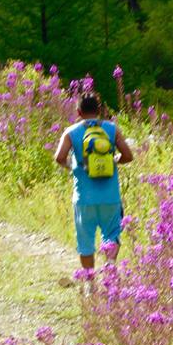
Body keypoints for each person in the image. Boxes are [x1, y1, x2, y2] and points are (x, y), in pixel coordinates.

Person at [54, 92, 134, 270]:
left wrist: (74, 166)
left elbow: (59, 157)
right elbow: (128, 156)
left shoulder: (71, 132)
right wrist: (113, 160)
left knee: (85, 242)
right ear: (99, 110)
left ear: (78, 112)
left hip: (84, 198)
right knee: (112, 235)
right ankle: (110, 270)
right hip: (110, 197)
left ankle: (90, 284)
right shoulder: (112, 129)